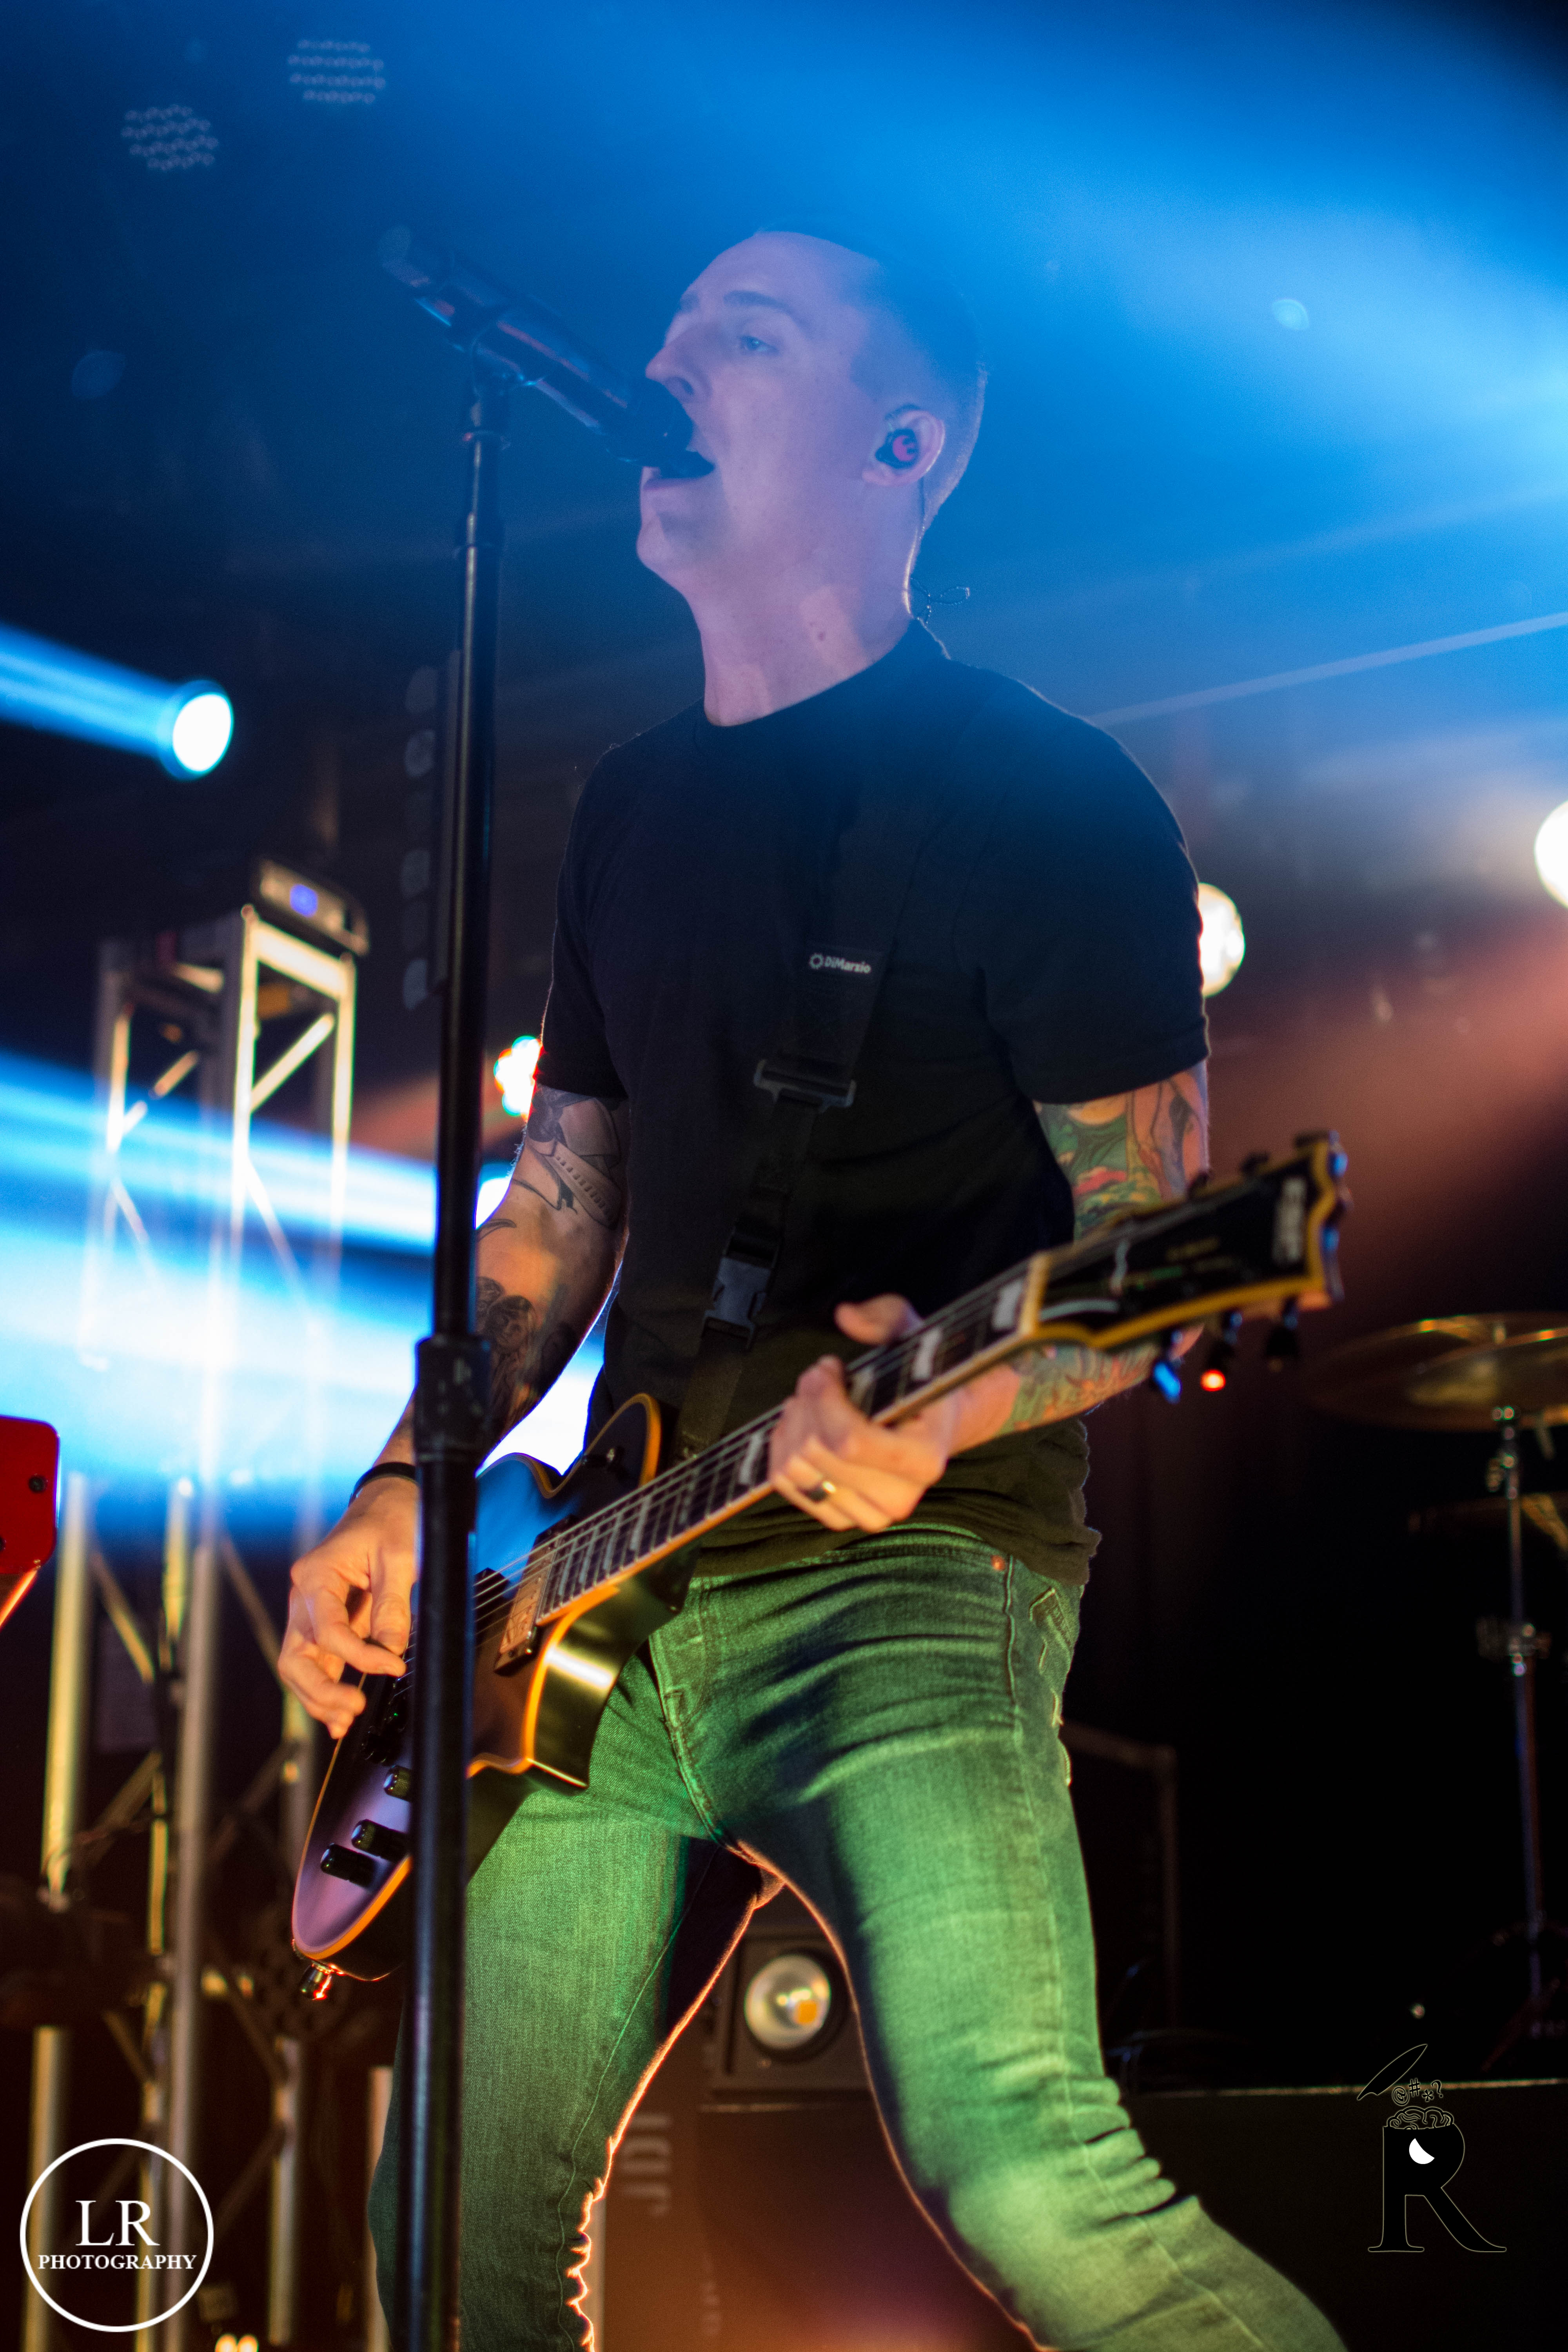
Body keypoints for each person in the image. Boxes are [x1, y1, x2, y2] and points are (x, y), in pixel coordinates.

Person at [281, 227, 1344, 2352]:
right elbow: (560, 1202)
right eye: (671, 327)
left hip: (910, 1573)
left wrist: (953, 1410)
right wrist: (413, 1477)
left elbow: (1150, 1247)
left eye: (742, 338)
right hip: (600, 1586)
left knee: (1027, 2170)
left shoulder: (1048, 798)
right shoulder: (631, 807)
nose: (668, 362)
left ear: (902, 444)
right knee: (452, 2243)